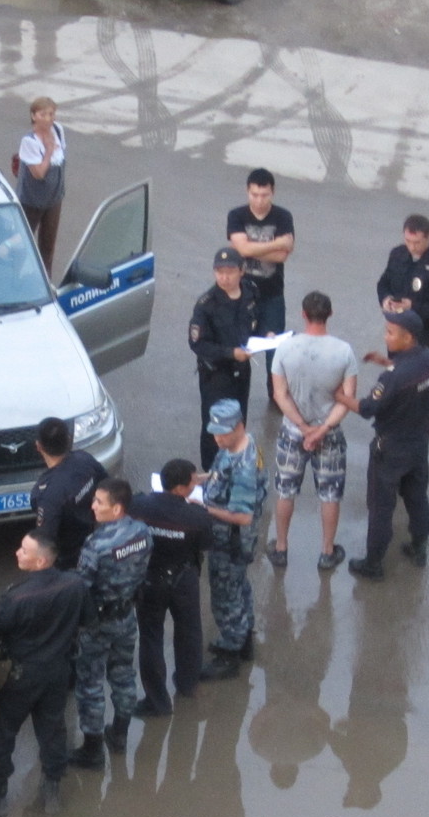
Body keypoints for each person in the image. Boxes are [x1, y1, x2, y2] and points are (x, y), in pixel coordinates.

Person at [0, 532, 89, 817]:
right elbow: (86, 621)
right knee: (52, 729)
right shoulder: (76, 585)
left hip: (19, 675)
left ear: (40, 561)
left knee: (1, 732)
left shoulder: (16, 597)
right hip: (57, 671)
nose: (17, 553)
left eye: (24, 550)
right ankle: (51, 788)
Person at [334, 311, 429, 581]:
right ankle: (419, 545)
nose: (385, 336)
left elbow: (367, 408)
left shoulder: (392, 379)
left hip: (391, 448)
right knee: (416, 495)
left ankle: (373, 562)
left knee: (381, 506)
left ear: (408, 337)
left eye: (390, 333)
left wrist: (338, 395)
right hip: (418, 443)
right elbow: (407, 375)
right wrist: (386, 362)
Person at [268, 291, 356, 573]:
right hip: (328, 433)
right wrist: (322, 429)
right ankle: (327, 551)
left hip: (293, 431)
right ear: (329, 315)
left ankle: (281, 547)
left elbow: (280, 395)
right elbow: (348, 398)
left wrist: (304, 427)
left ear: (303, 315)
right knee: (330, 494)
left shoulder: (285, 349)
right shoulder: (344, 352)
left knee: (285, 490)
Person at [70, 478, 152, 767]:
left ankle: (92, 750)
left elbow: (81, 587)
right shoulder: (142, 532)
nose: (92, 506)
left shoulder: (97, 544)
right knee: (123, 675)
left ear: (116, 509)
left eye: (98, 502)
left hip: (98, 623)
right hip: (127, 616)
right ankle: (119, 734)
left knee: (90, 684)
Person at [130, 458, 213, 714]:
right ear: (182, 487)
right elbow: (205, 546)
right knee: (189, 633)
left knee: (151, 637)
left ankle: (156, 701)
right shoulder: (197, 516)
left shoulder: (139, 504)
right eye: (193, 480)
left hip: (149, 578)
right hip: (183, 579)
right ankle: (188, 684)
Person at [199, 399, 267, 680]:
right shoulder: (237, 446)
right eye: (214, 432)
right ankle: (244, 636)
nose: (217, 438)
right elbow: (219, 475)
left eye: (223, 432)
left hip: (230, 540)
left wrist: (203, 509)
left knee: (226, 594)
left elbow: (242, 517)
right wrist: (198, 480)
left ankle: (231, 652)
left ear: (240, 426)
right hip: (230, 539)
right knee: (240, 586)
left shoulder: (245, 466)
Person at [226, 168, 295, 398]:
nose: (259, 200)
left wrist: (251, 250)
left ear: (272, 193)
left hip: (272, 295)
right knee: (240, 345)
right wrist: (275, 244)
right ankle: (235, 391)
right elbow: (243, 249)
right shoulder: (236, 216)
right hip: (241, 295)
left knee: (274, 349)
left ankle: (276, 395)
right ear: (248, 192)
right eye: (254, 195)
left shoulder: (283, 217)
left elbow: (284, 255)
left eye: (264, 195)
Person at [189, 246, 258, 470]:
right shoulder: (206, 304)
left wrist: (264, 335)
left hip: (242, 372)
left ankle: (236, 468)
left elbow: (255, 320)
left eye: (229, 271)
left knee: (238, 421)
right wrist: (230, 353)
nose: (224, 277)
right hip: (216, 375)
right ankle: (212, 472)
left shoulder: (250, 292)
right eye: (219, 272)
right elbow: (198, 343)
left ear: (242, 271)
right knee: (216, 427)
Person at [375, 214, 429, 361]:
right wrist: (385, 299)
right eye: (408, 241)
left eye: (417, 242)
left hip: (426, 336)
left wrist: (412, 306)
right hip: (397, 332)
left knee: (423, 380)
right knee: (396, 378)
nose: (412, 247)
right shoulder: (397, 255)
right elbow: (383, 283)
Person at [30, 416, 106, 571]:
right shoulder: (85, 459)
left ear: (38, 446)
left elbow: (46, 539)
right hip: (91, 536)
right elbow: (106, 484)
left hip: (67, 558)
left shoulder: (47, 493)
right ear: (69, 439)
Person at [17, 95, 66, 276]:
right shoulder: (29, 141)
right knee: (24, 243)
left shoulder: (58, 131)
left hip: (54, 198)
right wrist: (48, 151)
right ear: (33, 116)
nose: (49, 118)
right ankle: (17, 278)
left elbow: (61, 163)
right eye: (43, 114)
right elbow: (39, 173)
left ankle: (46, 279)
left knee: (48, 246)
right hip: (32, 200)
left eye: (52, 114)